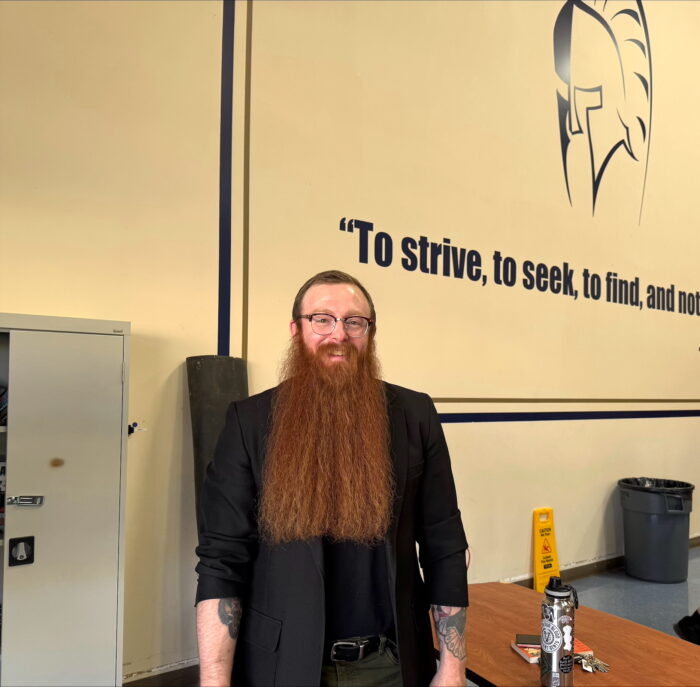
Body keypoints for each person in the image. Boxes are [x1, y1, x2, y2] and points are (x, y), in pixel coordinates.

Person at [195, 270, 469, 686]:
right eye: (321, 319)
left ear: (370, 332)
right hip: (284, 664)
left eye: (354, 321)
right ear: (296, 330)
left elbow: (444, 545)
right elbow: (222, 558)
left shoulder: (415, 416)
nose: (338, 334)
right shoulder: (249, 423)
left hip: (392, 663)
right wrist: (214, 681)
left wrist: (452, 668)